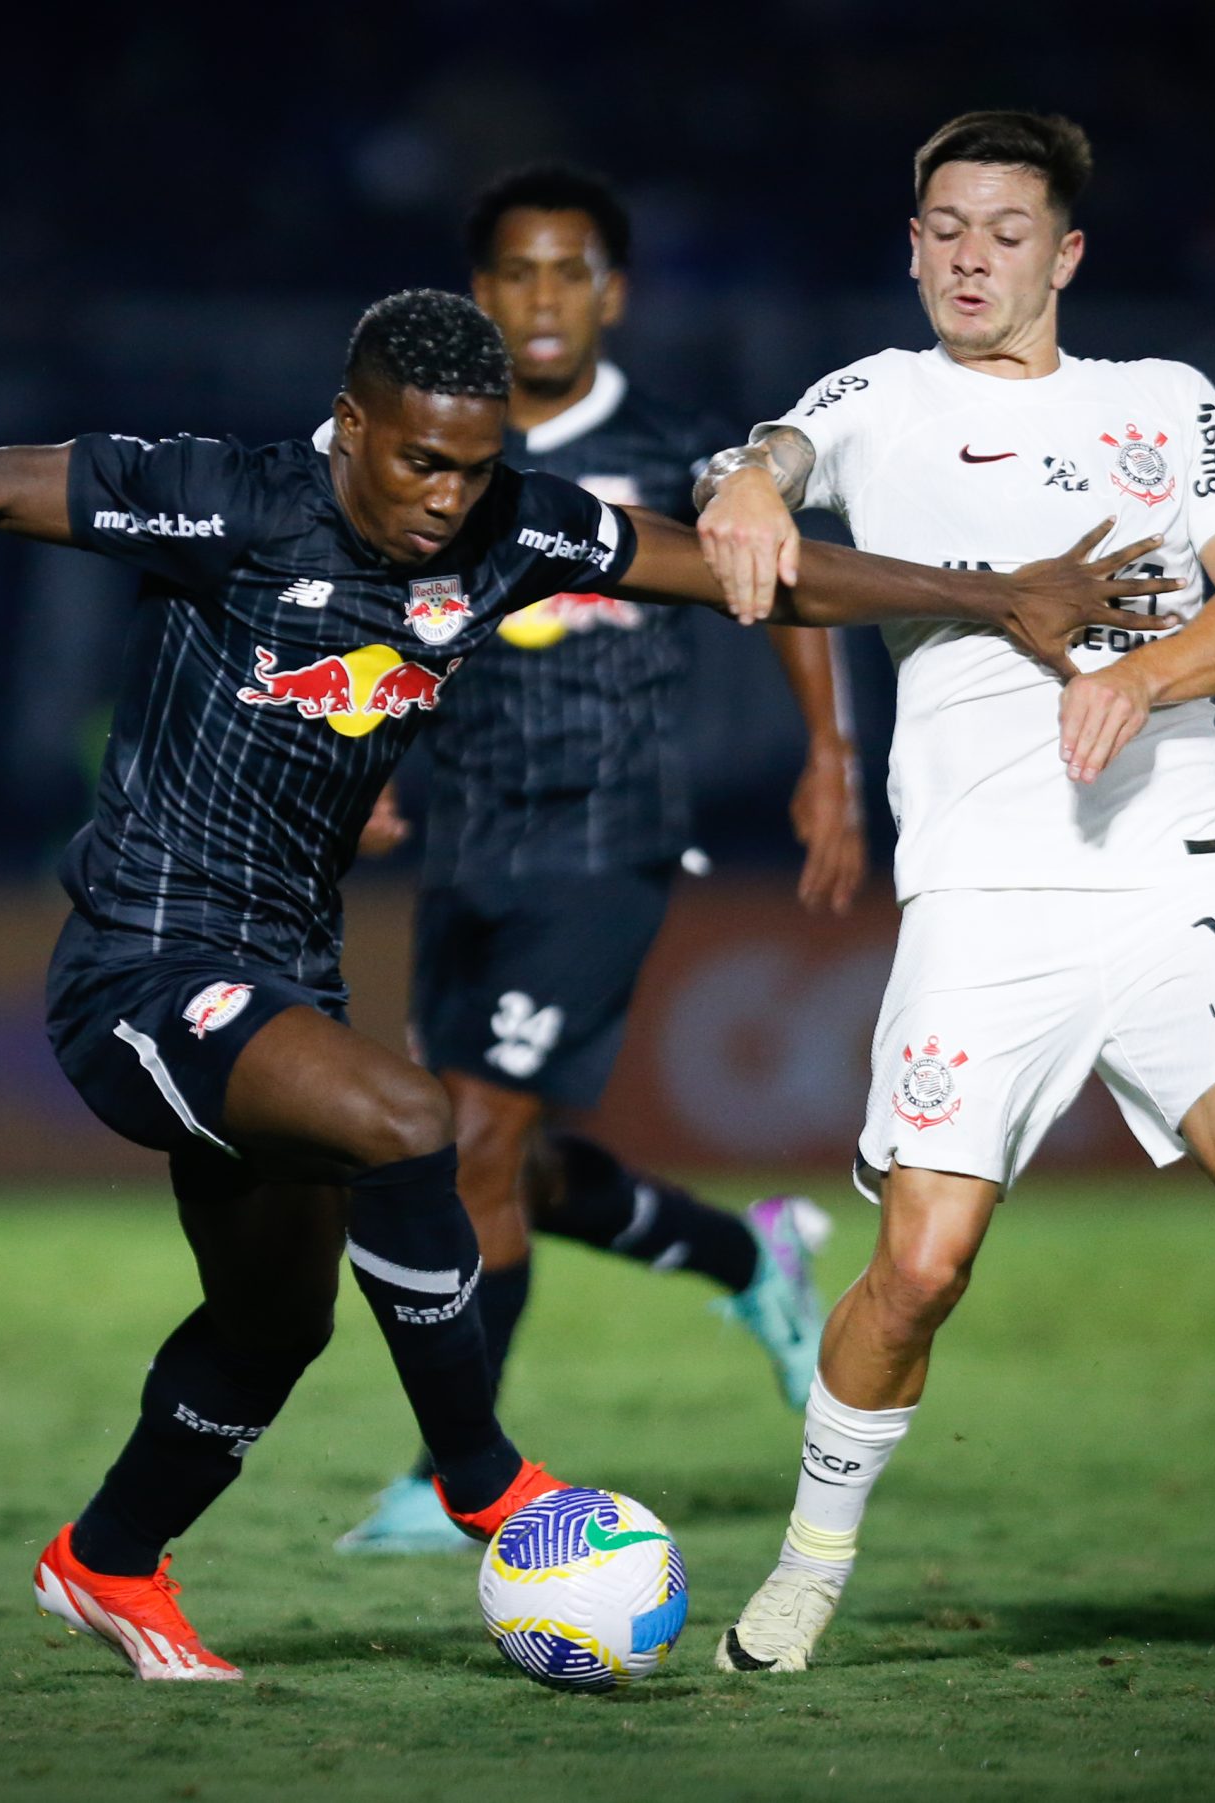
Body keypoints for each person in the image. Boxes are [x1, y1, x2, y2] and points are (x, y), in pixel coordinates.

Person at [0, 286, 1184, 1682]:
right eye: (417, 458)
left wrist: (1000, 599)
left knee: (272, 1323)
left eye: (472, 466)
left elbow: (750, 575)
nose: (442, 497)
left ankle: (109, 1561)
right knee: (411, 1120)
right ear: (349, 425)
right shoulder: (228, 503)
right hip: (137, 963)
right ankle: (488, 1482)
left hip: (283, 976)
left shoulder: (513, 532)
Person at [692, 110, 1215, 1675]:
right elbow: (773, 457)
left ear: (1066, 253)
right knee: (918, 1271)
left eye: (1007, 230)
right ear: (913, 248)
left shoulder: (1164, 404)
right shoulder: (884, 399)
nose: (972, 255)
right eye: (945, 229)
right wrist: (750, 484)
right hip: (982, 896)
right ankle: (812, 1565)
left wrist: (1146, 676)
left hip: (1174, 863)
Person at [336, 166, 865, 1555]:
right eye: (518, 274)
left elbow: (790, 579)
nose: (545, 299)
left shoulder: (681, 445)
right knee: (492, 1159)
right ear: (481, 293)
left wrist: (828, 756)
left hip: (607, 834)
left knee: (474, 1153)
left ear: (612, 293)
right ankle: (751, 1257)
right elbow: (382, 616)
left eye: (571, 273)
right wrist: (370, 763)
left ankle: (460, 1480)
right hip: (469, 839)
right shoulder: (439, 450)